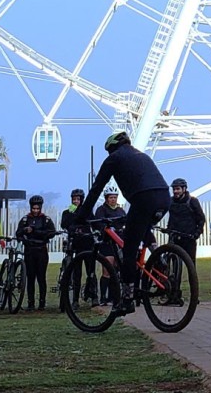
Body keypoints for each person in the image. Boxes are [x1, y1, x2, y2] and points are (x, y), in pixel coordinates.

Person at [74, 131, 171, 316]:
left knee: (129, 249)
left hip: (143, 198)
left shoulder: (114, 158)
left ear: (111, 148)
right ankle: (158, 259)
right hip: (164, 198)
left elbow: (96, 189)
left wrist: (82, 215)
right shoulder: (141, 155)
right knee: (143, 227)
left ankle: (127, 300)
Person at [15, 195, 57, 311]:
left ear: (41, 208)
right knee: (30, 277)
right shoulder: (25, 219)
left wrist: (35, 231)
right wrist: (24, 230)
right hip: (29, 250)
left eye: (37, 209)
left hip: (41, 250)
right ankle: (31, 303)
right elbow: (18, 233)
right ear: (30, 208)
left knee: (41, 277)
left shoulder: (46, 219)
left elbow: (51, 233)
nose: (35, 211)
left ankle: (42, 303)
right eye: (34, 208)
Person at [60, 188, 98, 308]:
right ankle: (75, 300)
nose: (76, 201)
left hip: (87, 244)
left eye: (78, 199)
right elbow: (64, 224)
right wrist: (72, 213)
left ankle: (94, 296)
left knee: (90, 271)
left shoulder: (86, 211)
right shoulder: (67, 212)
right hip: (75, 245)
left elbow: (93, 223)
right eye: (74, 199)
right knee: (76, 273)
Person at [91, 183, 127, 306]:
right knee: (107, 269)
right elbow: (98, 224)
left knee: (116, 270)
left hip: (118, 243)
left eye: (115, 197)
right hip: (107, 243)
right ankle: (103, 298)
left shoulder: (120, 210)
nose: (113, 200)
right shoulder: (101, 210)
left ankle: (113, 297)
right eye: (111, 197)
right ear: (106, 198)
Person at [167, 178, 206, 261]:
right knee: (172, 264)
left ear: (184, 189)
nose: (175, 191)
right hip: (174, 237)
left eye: (178, 189)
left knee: (191, 264)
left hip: (188, 238)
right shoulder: (170, 201)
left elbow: (201, 219)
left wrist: (197, 233)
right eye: (174, 189)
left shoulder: (192, 201)